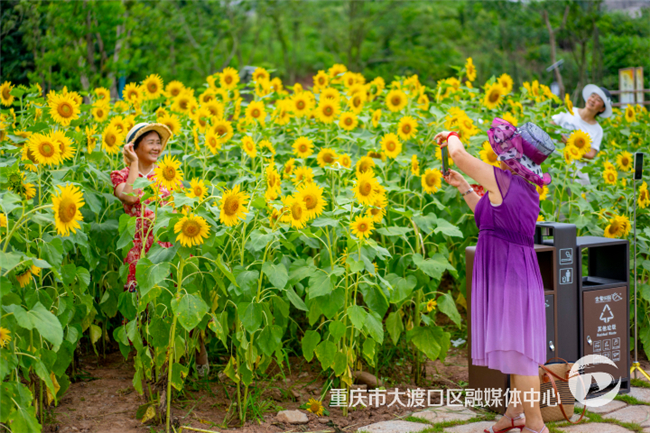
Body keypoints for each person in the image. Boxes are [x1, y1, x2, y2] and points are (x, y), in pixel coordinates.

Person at [436, 118, 556, 433]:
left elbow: (459, 155)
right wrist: (464, 187)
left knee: (522, 356)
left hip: (509, 274)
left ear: (512, 155)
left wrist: (451, 135)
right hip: (513, 272)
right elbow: (487, 220)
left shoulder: (503, 181)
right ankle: (515, 414)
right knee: (517, 350)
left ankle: (536, 425)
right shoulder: (525, 190)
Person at [111, 122, 210, 377]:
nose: (157, 147)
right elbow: (131, 196)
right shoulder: (122, 175)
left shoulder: (167, 174)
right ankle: (148, 365)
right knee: (140, 306)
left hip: (166, 248)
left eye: (159, 142)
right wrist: (134, 164)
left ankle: (197, 357)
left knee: (177, 301)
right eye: (151, 142)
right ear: (135, 147)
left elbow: (181, 207)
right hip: (139, 251)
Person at [550, 84, 612, 186]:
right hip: (556, 160)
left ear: (602, 109)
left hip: (576, 169)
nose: (593, 100)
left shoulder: (597, 129)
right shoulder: (569, 110)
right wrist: (554, 135)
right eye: (592, 96)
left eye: (598, 100)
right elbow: (550, 126)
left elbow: (591, 154)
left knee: (579, 197)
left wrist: (570, 144)